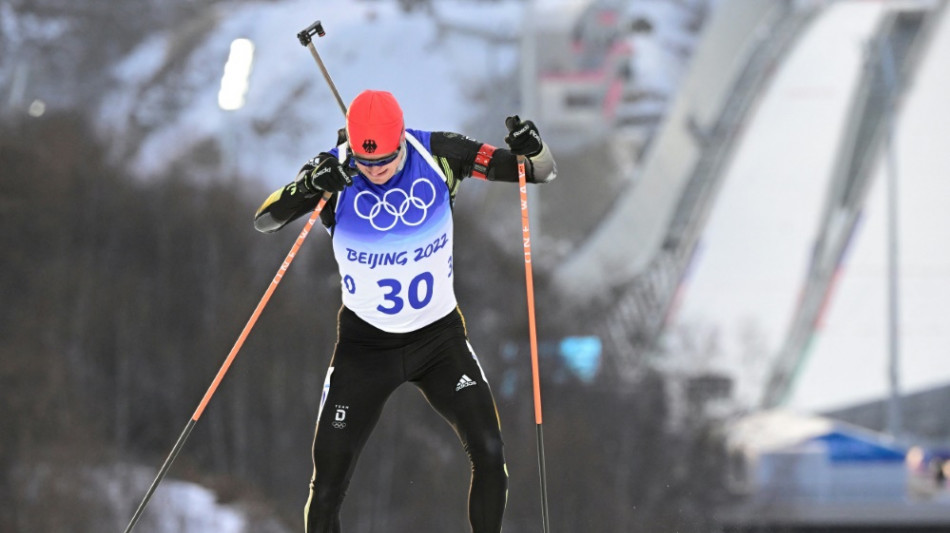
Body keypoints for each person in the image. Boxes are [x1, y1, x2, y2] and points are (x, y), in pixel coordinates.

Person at [253, 89, 557, 533]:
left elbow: (540, 173)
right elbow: (266, 218)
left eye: (386, 161)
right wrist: (310, 185)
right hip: (365, 349)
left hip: (438, 341)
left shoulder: (439, 155)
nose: (375, 172)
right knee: (327, 485)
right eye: (366, 162)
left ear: (401, 139)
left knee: (489, 452)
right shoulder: (334, 168)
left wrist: (535, 149)